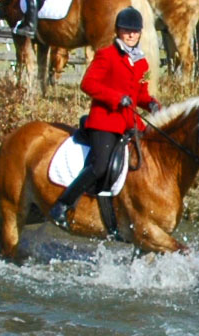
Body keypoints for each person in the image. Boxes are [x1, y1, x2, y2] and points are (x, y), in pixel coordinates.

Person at [49, 6, 160, 231]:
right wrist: (116, 98)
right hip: (105, 121)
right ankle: (62, 205)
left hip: (130, 123)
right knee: (99, 167)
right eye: (126, 31)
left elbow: (140, 93)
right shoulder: (106, 55)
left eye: (135, 31)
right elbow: (87, 84)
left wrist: (150, 103)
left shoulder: (141, 63)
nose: (131, 35)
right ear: (118, 32)